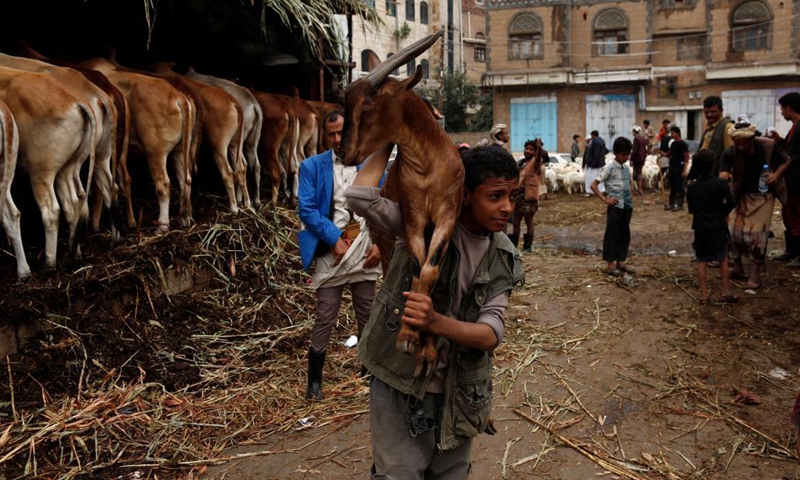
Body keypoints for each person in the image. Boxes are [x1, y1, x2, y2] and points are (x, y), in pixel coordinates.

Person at [345, 145, 524, 480]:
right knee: (398, 473)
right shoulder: (422, 226)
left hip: (459, 390)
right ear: (467, 195)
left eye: (512, 196)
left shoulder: (503, 254)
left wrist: (434, 322)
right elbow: (359, 197)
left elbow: (490, 333)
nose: (507, 208)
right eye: (496, 196)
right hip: (400, 379)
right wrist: (389, 140)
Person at [297, 110, 382, 400]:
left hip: (365, 246)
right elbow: (307, 209)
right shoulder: (311, 166)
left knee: (368, 313)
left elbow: (387, 204)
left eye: (341, 133)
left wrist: (381, 245)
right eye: (331, 134)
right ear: (325, 135)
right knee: (325, 315)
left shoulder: (373, 163)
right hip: (331, 250)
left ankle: (369, 370)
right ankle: (314, 381)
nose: (336, 139)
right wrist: (334, 239)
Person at [719, 121, 791, 290]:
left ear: (752, 138)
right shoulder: (730, 152)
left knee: (758, 234)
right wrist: (722, 180)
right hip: (740, 195)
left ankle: (756, 272)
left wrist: (776, 174)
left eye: (744, 142)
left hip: (764, 195)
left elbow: (786, 160)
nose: (741, 146)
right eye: (738, 143)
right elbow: (723, 172)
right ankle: (738, 267)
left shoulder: (768, 146)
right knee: (731, 232)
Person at [686, 149, 737, 304]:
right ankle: (725, 292)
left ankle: (703, 295)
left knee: (702, 260)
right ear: (713, 166)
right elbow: (731, 203)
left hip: (701, 228)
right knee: (722, 258)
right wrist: (724, 213)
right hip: (719, 227)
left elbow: (692, 209)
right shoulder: (721, 184)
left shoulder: (692, 187)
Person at [591, 137, 635, 277]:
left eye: (628, 154)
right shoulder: (609, 167)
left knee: (624, 234)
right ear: (616, 153)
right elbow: (594, 185)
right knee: (612, 234)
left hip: (627, 206)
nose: (626, 157)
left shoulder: (627, 168)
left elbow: (628, 186)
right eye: (623, 154)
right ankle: (610, 265)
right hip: (615, 206)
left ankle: (620, 262)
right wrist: (605, 199)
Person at [769, 92, 800, 265]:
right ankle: (791, 251)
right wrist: (779, 141)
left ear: (789, 108)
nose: (781, 112)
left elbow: (794, 156)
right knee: (788, 216)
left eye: (782, 109)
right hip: (791, 181)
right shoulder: (794, 128)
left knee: (795, 216)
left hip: (796, 181)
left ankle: (798, 254)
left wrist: (783, 167)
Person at [511, 139, 544, 252]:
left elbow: (539, 157)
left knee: (528, 220)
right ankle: (513, 246)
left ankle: (527, 247)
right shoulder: (521, 163)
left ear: (535, 152)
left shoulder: (535, 163)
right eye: (527, 149)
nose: (528, 151)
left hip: (529, 197)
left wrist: (539, 148)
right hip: (518, 197)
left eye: (531, 149)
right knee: (516, 222)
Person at [698, 96, 734, 176]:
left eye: (713, 112)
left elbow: (731, 156)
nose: (709, 115)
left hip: (718, 178)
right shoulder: (709, 128)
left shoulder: (727, 127)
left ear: (721, 111)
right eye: (706, 112)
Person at [666, 125, 690, 211]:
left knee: (680, 186)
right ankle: (671, 203)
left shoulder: (683, 144)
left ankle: (680, 204)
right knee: (672, 186)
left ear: (677, 133)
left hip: (679, 167)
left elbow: (686, 157)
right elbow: (669, 154)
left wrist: (684, 170)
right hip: (672, 167)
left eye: (673, 133)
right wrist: (661, 153)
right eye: (671, 133)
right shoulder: (673, 143)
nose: (671, 135)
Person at [583, 130, 607, 196]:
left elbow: (595, 153)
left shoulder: (595, 141)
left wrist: (592, 164)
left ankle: (591, 191)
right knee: (600, 178)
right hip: (601, 163)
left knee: (591, 178)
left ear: (593, 135)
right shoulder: (602, 141)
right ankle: (601, 190)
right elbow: (606, 150)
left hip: (594, 165)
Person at [631, 125, 648, 196]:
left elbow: (634, 150)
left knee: (637, 174)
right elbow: (645, 150)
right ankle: (639, 189)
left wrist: (631, 159)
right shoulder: (643, 139)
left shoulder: (636, 139)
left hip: (637, 159)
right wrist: (644, 159)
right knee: (639, 173)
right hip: (641, 158)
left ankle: (639, 190)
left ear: (634, 132)